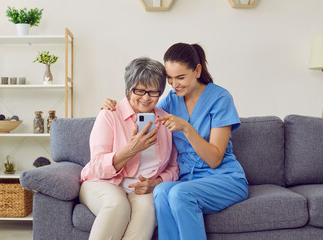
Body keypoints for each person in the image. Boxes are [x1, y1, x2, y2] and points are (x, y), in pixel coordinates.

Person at [102, 43, 248, 240]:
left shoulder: (220, 98)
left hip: (223, 178)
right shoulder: (171, 100)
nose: (174, 84)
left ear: (197, 71)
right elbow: (145, 104)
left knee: (180, 194)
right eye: (169, 78)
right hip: (187, 180)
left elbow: (214, 159)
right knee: (161, 192)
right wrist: (115, 104)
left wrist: (187, 128)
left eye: (180, 77)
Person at [80, 57, 179, 240]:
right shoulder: (110, 114)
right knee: (118, 206)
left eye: (153, 91)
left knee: (147, 212)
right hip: (103, 182)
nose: (146, 98)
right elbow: (97, 167)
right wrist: (132, 149)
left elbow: (173, 168)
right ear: (128, 89)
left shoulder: (165, 121)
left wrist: (155, 183)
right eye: (139, 90)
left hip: (142, 188)